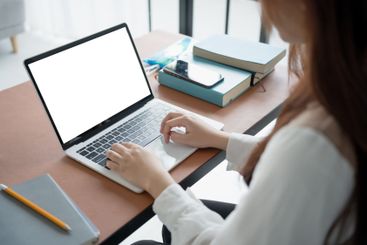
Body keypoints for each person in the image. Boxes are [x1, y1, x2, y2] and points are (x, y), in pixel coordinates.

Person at [106, 0, 366, 244]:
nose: (262, 9)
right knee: (171, 226)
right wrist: (220, 138)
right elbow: (294, 162)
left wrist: (156, 182)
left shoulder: (312, 143)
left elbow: (301, 159)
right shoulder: (350, 90)